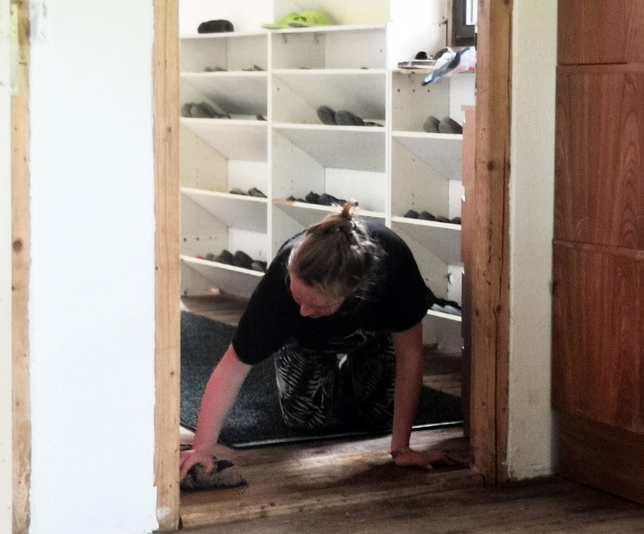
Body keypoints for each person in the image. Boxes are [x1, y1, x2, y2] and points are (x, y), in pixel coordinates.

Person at [179, 203, 454, 482]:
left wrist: (401, 448)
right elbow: (234, 364)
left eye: (316, 306)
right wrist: (201, 447)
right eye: (298, 298)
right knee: (305, 420)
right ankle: (310, 362)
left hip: (372, 336)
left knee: (381, 418)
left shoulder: (393, 268)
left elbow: (410, 356)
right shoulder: (279, 286)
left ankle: (349, 376)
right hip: (306, 343)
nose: (303, 311)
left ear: (353, 291)